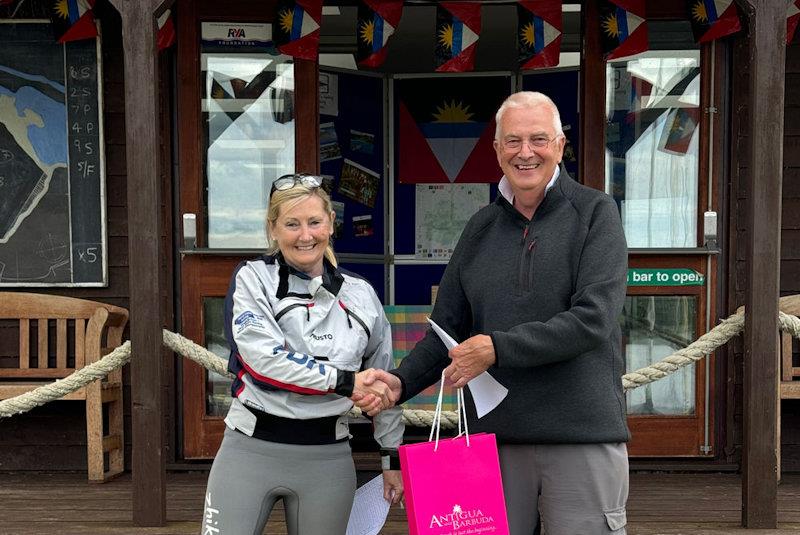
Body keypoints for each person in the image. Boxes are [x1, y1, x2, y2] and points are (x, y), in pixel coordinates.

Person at [359, 92, 629, 535]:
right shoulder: (479, 227)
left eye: (538, 139)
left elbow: (593, 319)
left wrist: (496, 349)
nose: (526, 152)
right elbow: (445, 329)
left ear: (560, 145)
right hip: (491, 444)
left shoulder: (597, 214)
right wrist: (400, 383)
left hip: (581, 434)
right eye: (513, 141)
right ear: (497, 151)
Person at [201, 174, 404, 535]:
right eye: (291, 224)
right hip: (249, 450)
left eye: (314, 222)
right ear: (273, 229)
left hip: (328, 458)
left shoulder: (361, 295)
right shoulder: (252, 279)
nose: (305, 235)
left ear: (330, 224)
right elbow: (263, 360)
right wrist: (346, 382)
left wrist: (391, 457)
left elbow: (384, 381)